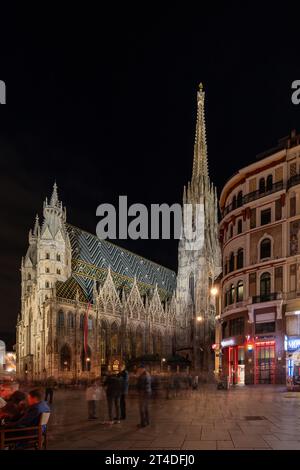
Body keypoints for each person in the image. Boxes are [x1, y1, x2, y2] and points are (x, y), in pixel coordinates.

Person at [136, 363, 151, 428]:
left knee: (141, 408)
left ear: (142, 369)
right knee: (145, 408)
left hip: (143, 393)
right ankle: (147, 421)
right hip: (147, 392)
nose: (138, 370)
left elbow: (140, 386)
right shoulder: (147, 374)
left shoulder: (142, 376)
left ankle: (143, 423)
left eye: (139, 369)